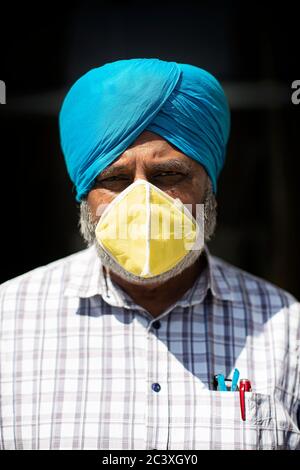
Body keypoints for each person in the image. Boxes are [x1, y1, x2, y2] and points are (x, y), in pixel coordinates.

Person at [0, 59, 299, 450]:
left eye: (167, 176)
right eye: (114, 179)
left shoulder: (287, 331)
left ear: (208, 189)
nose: (141, 201)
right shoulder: (8, 321)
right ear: (84, 197)